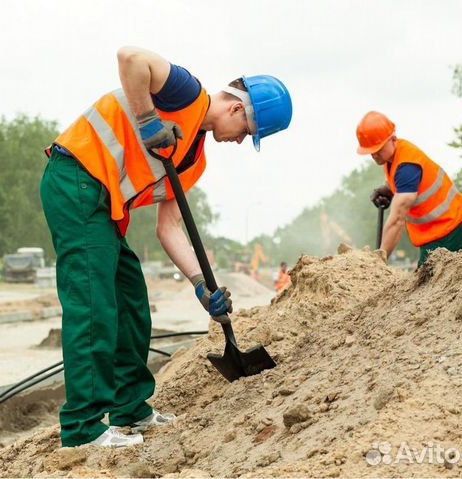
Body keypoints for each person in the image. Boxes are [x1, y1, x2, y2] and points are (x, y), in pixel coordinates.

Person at [40, 46, 292, 448]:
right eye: (248, 133)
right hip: (75, 178)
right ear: (236, 110)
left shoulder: (195, 159)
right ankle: (82, 428)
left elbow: (170, 227)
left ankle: (131, 409)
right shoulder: (185, 93)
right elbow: (130, 58)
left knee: (133, 303)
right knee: (94, 303)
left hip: (102, 204)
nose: (242, 142)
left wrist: (200, 286)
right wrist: (147, 120)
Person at [357, 111, 462, 266]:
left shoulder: (407, 167)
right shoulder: (393, 159)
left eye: (378, 148)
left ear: (393, 139)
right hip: (434, 231)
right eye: (371, 151)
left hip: (447, 228)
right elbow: (403, 184)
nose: (374, 154)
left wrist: (379, 262)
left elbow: (397, 220)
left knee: (433, 286)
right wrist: (389, 189)